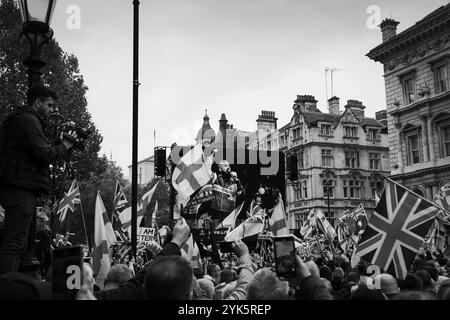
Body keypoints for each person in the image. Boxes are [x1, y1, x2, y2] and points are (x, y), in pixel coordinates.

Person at [0, 85, 78, 274]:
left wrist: (59, 146)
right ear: (37, 102)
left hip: (17, 185)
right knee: (15, 244)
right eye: (50, 106)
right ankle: (8, 287)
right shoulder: (28, 120)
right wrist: (65, 145)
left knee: (16, 242)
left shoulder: (21, 119)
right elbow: (43, 154)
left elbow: (37, 152)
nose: (52, 111)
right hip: (20, 188)